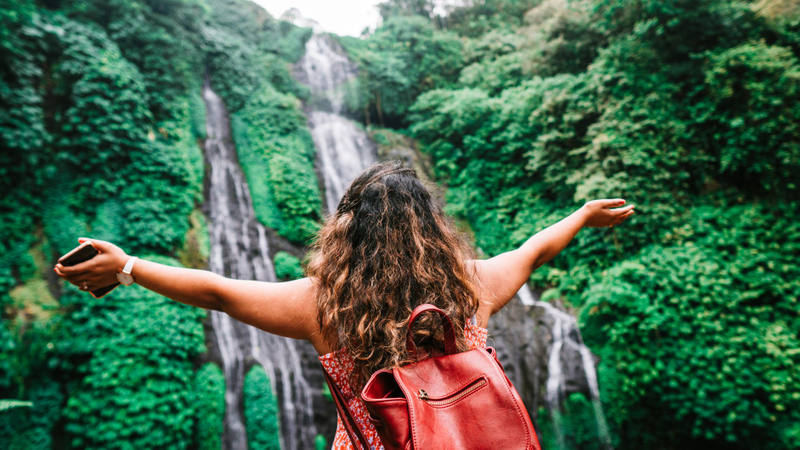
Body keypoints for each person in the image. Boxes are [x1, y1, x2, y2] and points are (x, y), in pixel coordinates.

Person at [54, 161, 634, 449]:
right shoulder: (471, 287)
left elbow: (217, 290)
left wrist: (127, 267)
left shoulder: (325, 307)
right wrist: (582, 214)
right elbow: (533, 249)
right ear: (432, 228)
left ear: (347, 231)